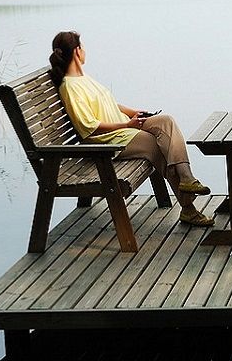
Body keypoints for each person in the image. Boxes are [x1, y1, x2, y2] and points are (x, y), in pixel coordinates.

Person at [48, 30, 214, 227]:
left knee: (166, 122)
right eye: (83, 47)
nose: (85, 51)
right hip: (111, 141)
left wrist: (133, 112)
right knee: (158, 145)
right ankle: (188, 209)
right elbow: (89, 128)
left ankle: (187, 177)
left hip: (127, 128)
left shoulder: (85, 79)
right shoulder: (70, 87)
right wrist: (127, 124)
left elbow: (110, 104)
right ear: (77, 51)